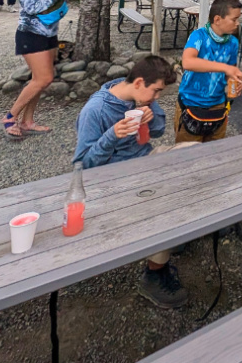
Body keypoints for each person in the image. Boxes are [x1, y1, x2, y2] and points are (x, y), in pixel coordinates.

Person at [72, 55, 188, 307]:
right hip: (115, 177)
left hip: (145, 159)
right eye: (156, 91)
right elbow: (82, 166)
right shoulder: (96, 110)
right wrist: (111, 135)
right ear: (138, 82)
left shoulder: (139, 95)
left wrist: (151, 112)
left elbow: (156, 132)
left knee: (194, 153)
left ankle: (183, 231)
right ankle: (154, 274)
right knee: (166, 201)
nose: (157, 97)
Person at [3, 0, 72, 140]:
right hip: (31, 33)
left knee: (38, 81)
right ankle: (10, 117)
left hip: (49, 33)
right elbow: (31, 6)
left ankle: (28, 121)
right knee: (44, 79)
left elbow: (51, 3)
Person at [176, 0, 242, 143]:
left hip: (218, 106)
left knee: (214, 152)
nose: (237, 23)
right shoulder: (198, 36)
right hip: (191, 104)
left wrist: (235, 80)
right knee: (187, 155)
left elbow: (229, 72)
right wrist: (226, 68)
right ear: (217, 19)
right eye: (234, 19)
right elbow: (187, 62)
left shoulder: (232, 42)